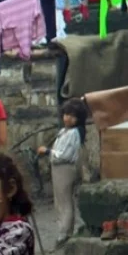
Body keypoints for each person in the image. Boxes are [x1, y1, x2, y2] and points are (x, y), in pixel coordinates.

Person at [37, 98, 88, 245]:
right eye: (66, 114)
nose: (67, 118)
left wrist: (47, 151)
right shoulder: (65, 131)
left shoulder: (73, 133)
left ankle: (64, 233)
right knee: (60, 201)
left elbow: (64, 155)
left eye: (72, 116)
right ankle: (64, 230)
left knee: (64, 201)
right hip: (59, 168)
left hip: (64, 168)